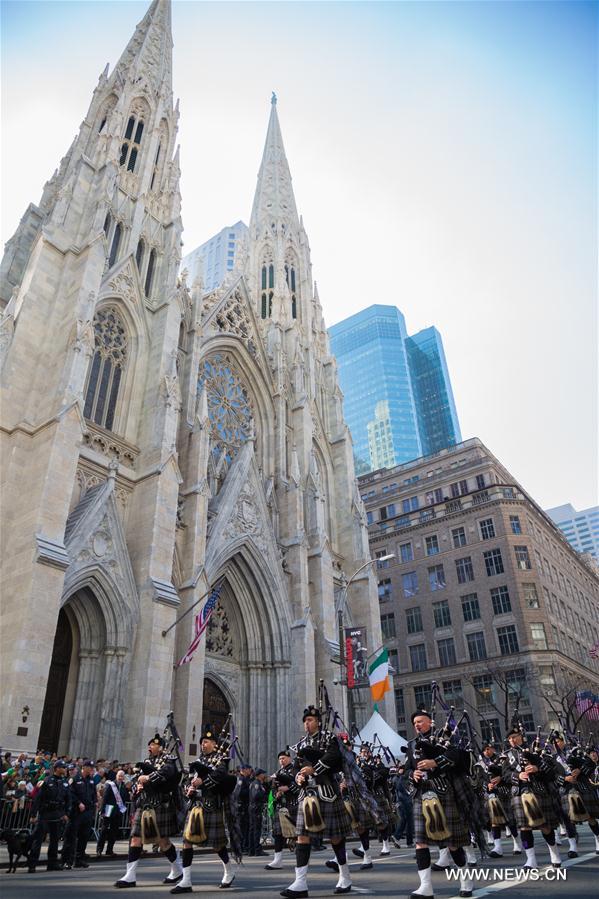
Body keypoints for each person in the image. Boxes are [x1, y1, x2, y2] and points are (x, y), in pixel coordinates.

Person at [280, 703, 353, 898]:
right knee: (302, 836)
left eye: (310, 720)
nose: (306, 723)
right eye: (305, 721)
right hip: (307, 795)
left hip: (327, 792)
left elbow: (334, 757)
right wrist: (298, 777)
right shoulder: (301, 744)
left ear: (318, 722)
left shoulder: (329, 738)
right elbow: (295, 766)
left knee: (336, 837)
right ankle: (300, 882)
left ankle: (345, 876)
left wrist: (315, 768)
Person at [404, 708, 474, 899]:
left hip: (443, 792)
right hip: (421, 794)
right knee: (420, 842)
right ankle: (426, 886)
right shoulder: (412, 745)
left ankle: (466, 880)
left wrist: (434, 762)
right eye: (415, 722)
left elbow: (456, 756)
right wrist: (412, 774)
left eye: (421, 721)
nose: (417, 724)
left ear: (430, 722)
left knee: (452, 842)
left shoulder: (443, 737)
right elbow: (406, 769)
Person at [171, 725, 241, 894]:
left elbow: (221, 776)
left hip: (212, 806)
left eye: (207, 741)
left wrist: (203, 781)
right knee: (187, 842)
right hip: (196, 806)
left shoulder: (221, 760)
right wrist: (189, 788)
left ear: (214, 744)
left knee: (218, 845)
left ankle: (229, 870)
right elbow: (189, 779)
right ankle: (186, 881)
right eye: (202, 741)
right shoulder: (197, 762)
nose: (203, 744)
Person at [115, 734, 182, 889]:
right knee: (135, 838)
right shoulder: (146, 762)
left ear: (160, 747)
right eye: (150, 745)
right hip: (145, 804)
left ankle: (177, 868)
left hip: (160, 804)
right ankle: (130, 876)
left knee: (163, 841)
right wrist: (137, 785)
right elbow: (138, 778)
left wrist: (149, 777)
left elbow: (168, 772)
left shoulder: (169, 760)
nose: (150, 747)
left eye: (153, 745)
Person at [501, 727, 561, 869]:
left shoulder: (535, 750)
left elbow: (550, 772)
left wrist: (537, 768)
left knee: (545, 826)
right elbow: (505, 775)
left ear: (521, 736)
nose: (512, 740)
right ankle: (531, 860)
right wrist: (517, 776)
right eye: (510, 738)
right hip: (519, 793)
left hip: (538, 791)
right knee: (524, 828)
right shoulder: (507, 757)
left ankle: (554, 853)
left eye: (515, 736)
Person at [28, 759, 71, 873]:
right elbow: (38, 799)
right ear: (57, 769)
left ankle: (52, 863)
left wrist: (66, 813)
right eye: (63, 767)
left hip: (57, 814)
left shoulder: (65, 782)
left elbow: (68, 799)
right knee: (38, 840)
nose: (65, 769)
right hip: (45, 813)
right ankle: (32, 864)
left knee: (54, 840)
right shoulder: (47, 780)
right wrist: (33, 814)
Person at [265, 749, 301, 870]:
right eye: (280, 759)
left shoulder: (295, 770)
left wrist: (288, 788)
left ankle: (300, 858)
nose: (282, 760)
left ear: (289, 758)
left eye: (284, 758)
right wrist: (276, 794)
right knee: (278, 834)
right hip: (281, 806)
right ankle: (278, 859)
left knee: (297, 833)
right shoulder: (278, 772)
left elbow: (300, 786)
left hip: (293, 804)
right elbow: (273, 788)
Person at [62, 759, 97, 869]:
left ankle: (79, 859)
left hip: (87, 812)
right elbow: (70, 794)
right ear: (84, 767)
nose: (91, 769)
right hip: (77, 812)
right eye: (89, 767)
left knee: (84, 836)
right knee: (71, 837)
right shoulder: (74, 779)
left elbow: (93, 793)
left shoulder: (90, 780)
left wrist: (95, 802)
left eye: (92, 768)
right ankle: (67, 860)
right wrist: (78, 803)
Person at [97, 769, 129, 857]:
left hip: (118, 812)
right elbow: (105, 798)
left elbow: (126, 798)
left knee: (114, 831)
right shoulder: (111, 785)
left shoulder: (123, 786)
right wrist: (102, 810)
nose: (121, 778)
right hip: (108, 809)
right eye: (119, 776)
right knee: (104, 830)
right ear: (116, 776)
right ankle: (99, 849)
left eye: (122, 776)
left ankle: (109, 850)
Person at [249, 769, 269, 856]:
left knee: (253, 829)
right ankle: (257, 850)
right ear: (259, 775)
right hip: (256, 808)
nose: (264, 775)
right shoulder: (256, 784)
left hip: (254, 808)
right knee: (256, 830)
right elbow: (256, 795)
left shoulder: (258, 783)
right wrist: (264, 795)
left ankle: (252, 850)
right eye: (263, 774)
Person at [233, 763, 252, 852]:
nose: (250, 771)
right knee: (242, 828)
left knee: (245, 828)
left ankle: (244, 846)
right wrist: (250, 790)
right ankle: (241, 847)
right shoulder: (241, 779)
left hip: (244, 807)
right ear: (244, 770)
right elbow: (239, 793)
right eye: (249, 769)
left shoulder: (246, 779)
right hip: (241, 808)